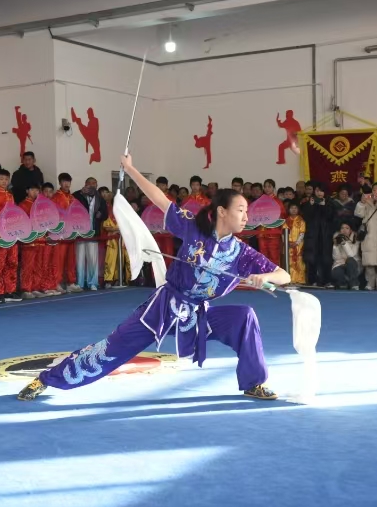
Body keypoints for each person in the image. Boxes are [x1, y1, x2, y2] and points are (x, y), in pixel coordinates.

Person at [18, 154, 291, 402]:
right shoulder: (194, 227)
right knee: (113, 346)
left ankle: (254, 382)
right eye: (241, 210)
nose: (246, 216)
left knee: (244, 317)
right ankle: (47, 379)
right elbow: (161, 200)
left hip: (197, 314)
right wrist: (131, 169)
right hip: (163, 307)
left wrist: (262, 276)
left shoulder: (241, 252)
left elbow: (283, 275)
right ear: (222, 211)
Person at [0, 169, 21, 303]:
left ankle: (9, 291)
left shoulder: (10, 196)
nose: (4, 182)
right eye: (1, 179)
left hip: (11, 235)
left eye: (6, 179)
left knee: (12, 262)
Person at [354, 183, 377, 291]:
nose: (376, 192)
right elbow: (359, 214)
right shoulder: (367, 201)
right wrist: (361, 203)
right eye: (374, 190)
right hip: (369, 235)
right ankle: (369, 283)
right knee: (369, 262)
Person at [74, 177, 108, 291]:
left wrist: (101, 214)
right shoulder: (78, 195)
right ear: (85, 184)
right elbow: (72, 207)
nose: (93, 185)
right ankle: (79, 283)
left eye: (95, 183)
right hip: (80, 233)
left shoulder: (100, 199)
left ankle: (92, 282)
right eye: (90, 183)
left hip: (93, 232)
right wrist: (80, 192)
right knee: (79, 259)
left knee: (93, 259)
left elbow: (106, 214)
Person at [51, 173, 81, 293]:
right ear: (60, 183)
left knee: (71, 259)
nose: (66, 184)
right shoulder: (55, 197)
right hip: (60, 234)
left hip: (71, 233)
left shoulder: (73, 198)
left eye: (68, 181)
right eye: (64, 181)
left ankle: (71, 282)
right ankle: (57, 283)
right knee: (59, 259)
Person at [301, 182, 334, 287]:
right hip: (312, 236)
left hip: (325, 236)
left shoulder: (330, 202)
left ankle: (327, 281)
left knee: (326, 259)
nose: (319, 193)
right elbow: (305, 217)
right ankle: (312, 280)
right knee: (312, 259)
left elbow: (331, 217)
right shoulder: (308, 202)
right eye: (317, 190)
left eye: (321, 191)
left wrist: (324, 206)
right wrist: (310, 205)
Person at [18, 184, 48, 299]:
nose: (35, 192)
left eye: (37, 190)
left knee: (39, 265)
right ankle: (26, 289)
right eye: (32, 190)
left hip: (41, 239)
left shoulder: (41, 205)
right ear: (27, 191)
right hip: (29, 240)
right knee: (28, 266)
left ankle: (36, 287)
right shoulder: (22, 205)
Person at [102, 193, 131, 288]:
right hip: (112, 241)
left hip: (123, 241)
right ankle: (108, 280)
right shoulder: (109, 214)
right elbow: (106, 227)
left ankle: (120, 279)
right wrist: (117, 230)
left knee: (122, 261)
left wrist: (120, 230)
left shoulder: (126, 214)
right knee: (110, 260)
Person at [258, 179, 287, 267]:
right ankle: (265, 273)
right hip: (261, 232)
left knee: (274, 256)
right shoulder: (260, 200)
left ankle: (274, 274)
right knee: (263, 256)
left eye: (269, 186)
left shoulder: (277, 201)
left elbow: (282, 216)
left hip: (273, 233)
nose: (267, 188)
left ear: (274, 188)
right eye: (265, 186)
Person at [331, 222, 361, 290]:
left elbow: (352, 255)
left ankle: (354, 284)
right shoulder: (337, 238)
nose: (344, 230)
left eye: (347, 228)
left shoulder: (356, 239)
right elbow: (336, 258)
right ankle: (343, 284)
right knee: (336, 271)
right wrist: (335, 245)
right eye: (342, 228)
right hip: (341, 264)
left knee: (350, 260)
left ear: (351, 230)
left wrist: (344, 243)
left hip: (354, 265)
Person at [285, 201, 306, 284]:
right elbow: (283, 233)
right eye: (291, 208)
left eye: (295, 208)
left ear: (298, 210)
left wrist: (297, 242)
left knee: (299, 261)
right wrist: (287, 242)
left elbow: (302, 233)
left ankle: (300, 280)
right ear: (288, 209)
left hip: (298, 245)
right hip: (288, 245)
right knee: (289, 261)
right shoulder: (286, 221)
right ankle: (290, 279)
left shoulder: (301, 221)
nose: (293, 210)